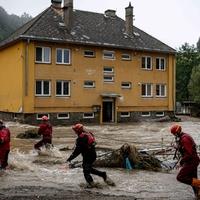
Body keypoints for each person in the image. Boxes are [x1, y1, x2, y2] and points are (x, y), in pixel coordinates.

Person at [66, 123, 115, 188]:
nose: (74, 132)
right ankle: (103, 174)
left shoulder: (80, 139)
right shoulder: (89, 133)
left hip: (87, 156)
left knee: (86, 171)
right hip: (93, 154)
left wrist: (69, 159)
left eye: (75, 130)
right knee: (88, 169)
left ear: (78, 131)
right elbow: (94, 143)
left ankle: (91, 184)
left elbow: (77, 151)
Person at [170, 124, 200, 199]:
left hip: (191, 161)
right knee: (193, 180)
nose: (174, 135)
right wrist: (177, 147)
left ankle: (199, 185)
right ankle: (198, 195)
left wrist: (181, 162)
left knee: (180, 177)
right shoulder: (183, 137)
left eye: (174, 134)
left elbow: (189, 154)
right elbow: (186, 149)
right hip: (193, 160)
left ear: (177, 132)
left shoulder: (184, 139)